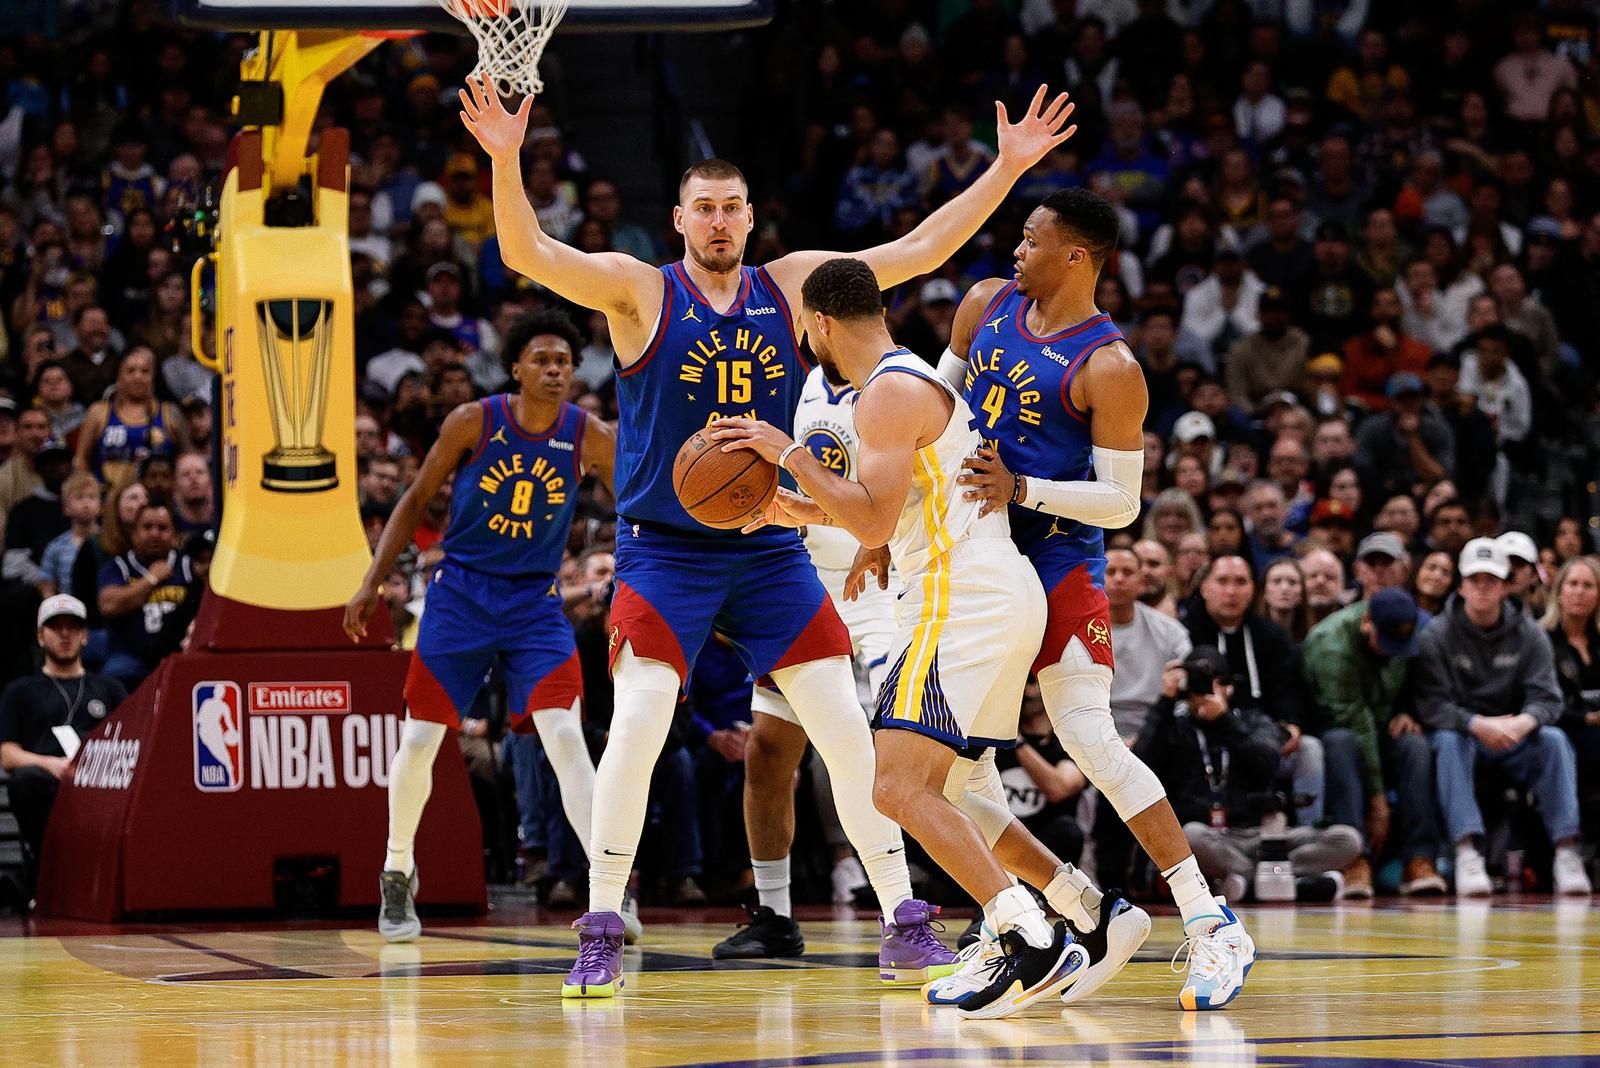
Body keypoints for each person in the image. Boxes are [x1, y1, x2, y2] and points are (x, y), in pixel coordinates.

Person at [457, 71, 1078, 998]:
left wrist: (1006, 168)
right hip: (663, 549)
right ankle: (599, 926)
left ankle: (906, 920)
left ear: (750, 219)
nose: (718, 222)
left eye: (732, 209)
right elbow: (528, 248)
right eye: (703, 208)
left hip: (767, 542)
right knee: (637, 720)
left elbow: (913, 248)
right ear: (678, 220)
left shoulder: (789, 289)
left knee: (844, 724)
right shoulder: (638, 293)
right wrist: (506, 159)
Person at [714, 256, 1081, 1019]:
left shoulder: (886, 391)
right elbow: (889, 511)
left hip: (962, 601)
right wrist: (797, 509)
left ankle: (1025, 933)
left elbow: (875, 522)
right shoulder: (904, 379)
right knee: (946, 789)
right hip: (985, 592)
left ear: (816, 324)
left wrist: (789, 453)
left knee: (893, 786)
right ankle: (1070, 910)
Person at [940, 188, 1254, 1011]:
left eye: (1031, 239)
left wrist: (1022, 488)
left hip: (1057, 561)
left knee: (1087, 736)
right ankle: (1060, 913)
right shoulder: (983, 305)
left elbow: (1122, 505)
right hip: (973, 557)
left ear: (1075, 256)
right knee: (954, 766)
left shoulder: (1111, 367)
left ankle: (1209, 919)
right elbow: (933, 418)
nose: (1016, 250)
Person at [341, 310, 622, 943]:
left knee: (565, 735)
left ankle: (607, 887)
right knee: (419, 741)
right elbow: (414, 500)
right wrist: (372, 581)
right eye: (543, 361)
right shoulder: (474, 421)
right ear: (517, 368)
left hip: (534, 603)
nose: (555, 371)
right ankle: (396, 869)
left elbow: (636, 504)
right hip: (460, 596)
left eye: (565, 363)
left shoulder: (589, 435)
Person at [710, 356, 901, 961]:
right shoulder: (790, 388)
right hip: (801, 585)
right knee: (769, 754)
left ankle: (946, 907)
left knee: (911, 755)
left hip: (879, 588)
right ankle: (774, 915)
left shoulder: (892, 388)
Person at [1414, 538, 1590, 897]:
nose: (1482, 588)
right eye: (1474, 580)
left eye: (1490, 580)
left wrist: (1522, 723)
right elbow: (1432, 704)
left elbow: (1548, 699)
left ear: (1505, 585)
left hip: (1515, 735)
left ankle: (1566, 850)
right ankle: (1467, 851)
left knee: (1554, 741)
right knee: (1446, 742)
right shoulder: (1436, 634)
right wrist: (1478, 724)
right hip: (1466, 734)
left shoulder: (1530, 634)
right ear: (1460, 585)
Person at [1140, 646, 1361, 901]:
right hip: (1213, 838)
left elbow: (1266, 762)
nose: (1204, 691)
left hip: (1265, 836)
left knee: (1347, 839)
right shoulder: (1175, 727)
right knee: (1190, 836)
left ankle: (1248, 885)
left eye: (1213, 682)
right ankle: (1285, 883)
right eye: (1196, 682)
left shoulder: (1254, 721)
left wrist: (1224, 720)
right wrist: (1165, 701)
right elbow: (1141, 762)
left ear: (1229, 687)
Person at [1304, 588, 1446, 899]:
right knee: (1341, 743)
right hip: (1338, 733)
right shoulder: (1333, 646)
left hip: (1383, 729)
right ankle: (1354, 858)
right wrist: (1378, 803)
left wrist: (1409, 711)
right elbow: (1355, 721)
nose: (1394, 651)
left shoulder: (1410, 633)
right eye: (1387, 642)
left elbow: (1419, 683)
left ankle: (1420, 859)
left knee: (1415, 745)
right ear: (1367, 621)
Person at [0, 595, 126, 896]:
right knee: (25, 780)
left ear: (85, 636)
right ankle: (50, 870)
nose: (65, 634)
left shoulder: (110, 688)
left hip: (100, 780)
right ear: (41, 637)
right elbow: (8, 755)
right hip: (48, 780)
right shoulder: (19, 691)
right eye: (56, 627)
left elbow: (131, 742)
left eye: (73, 627)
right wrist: (53, 765)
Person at [94, 501, 192, 688]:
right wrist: (151, 579)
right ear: (134, 534)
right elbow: (108, 605)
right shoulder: (119, 567)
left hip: (178, 654)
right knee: (115, 674)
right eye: (147, 527)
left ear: (174, 535)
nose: (154, 533)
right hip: (130, 655)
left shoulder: (188, 566)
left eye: (162, 528)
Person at [1542, 557, 1600, 848]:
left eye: (1588, 585)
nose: (1579, 592)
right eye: (1573, 584)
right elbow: (1538, 701)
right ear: (1559, 592)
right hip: (1562, 729)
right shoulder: (1541, 640)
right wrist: (1585, 719)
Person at [73, 346, 186, 486]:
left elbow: (186, 460)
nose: (138, 377)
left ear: (153, 377)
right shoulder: (98, 413)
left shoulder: (171, 413)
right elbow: (81, 459)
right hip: (105, 498)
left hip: (158, 501)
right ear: (118, 375)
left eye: (145, 371)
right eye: (130, 371)